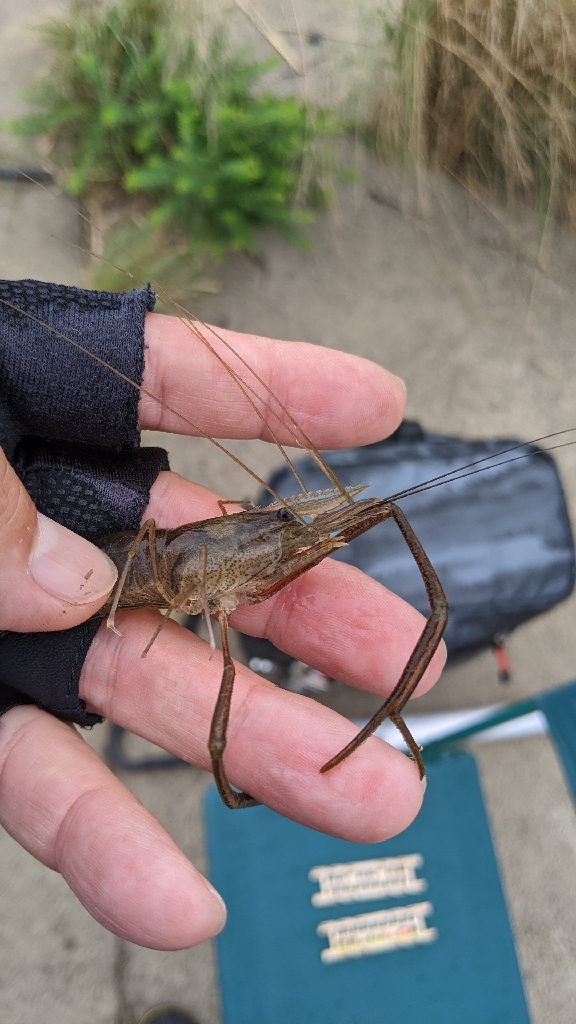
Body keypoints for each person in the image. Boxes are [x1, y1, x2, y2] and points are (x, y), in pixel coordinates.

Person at [0, 278, 445, 958]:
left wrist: (297, 531)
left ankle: (392, 723)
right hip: (129, 573)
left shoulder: (268, 547)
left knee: (356, 516)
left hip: (174, 572)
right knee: (222, 745)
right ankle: (372, 735)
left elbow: (332, 521)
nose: (301, 538)